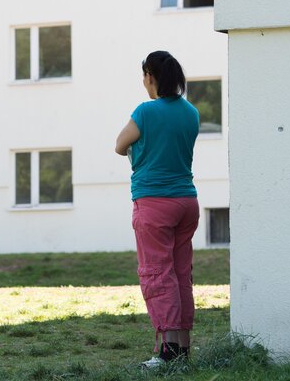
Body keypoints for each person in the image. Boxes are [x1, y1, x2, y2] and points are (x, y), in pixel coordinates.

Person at [115, 51, 200, 367]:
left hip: (154, 202)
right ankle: (183, 350)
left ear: (150, 76)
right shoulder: (190, 112)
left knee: (157, 273)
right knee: (180, 274)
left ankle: (167, 353)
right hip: (186, 202)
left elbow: (119, 144)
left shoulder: (146, 112)